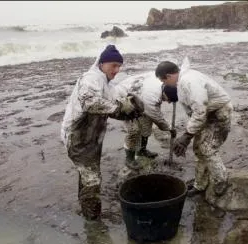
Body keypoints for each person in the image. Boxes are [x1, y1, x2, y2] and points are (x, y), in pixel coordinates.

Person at [61, 44, 144, 220]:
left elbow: (112, 109)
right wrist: (121, 106)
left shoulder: (107, 85)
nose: (117, 69)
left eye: (119, 66)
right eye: (113, 65)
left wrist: (129, 111)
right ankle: (93, 221)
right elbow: (90, 103)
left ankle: (85, 208)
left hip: (92, 139)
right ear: (101, 63)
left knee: (88, 174)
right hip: (78, 138)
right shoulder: (91, 79)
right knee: (92, 180)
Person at [155, 57, 233, 197]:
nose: (165, 84)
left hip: (220, 112)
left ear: (168, 76)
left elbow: (200, 111)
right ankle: (200, 184)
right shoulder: (182, 82)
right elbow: (196, 113)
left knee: (207, 149)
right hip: (208, 114)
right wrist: (188, 136)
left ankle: (221, 180)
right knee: (198, 149)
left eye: (164, 81)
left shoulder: (189, 80)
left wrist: (186, 136)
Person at [112, 71, 177, 170]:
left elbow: (153, 112)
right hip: (124, 99)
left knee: (146, 125)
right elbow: (157, 117)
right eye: (167, 99)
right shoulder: (152, 95)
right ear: (164, 92)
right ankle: (129, 159)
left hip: (140, 98)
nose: (167, 102)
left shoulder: (164, 84)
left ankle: (142, 151)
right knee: (134, 130)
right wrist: (169, 128)